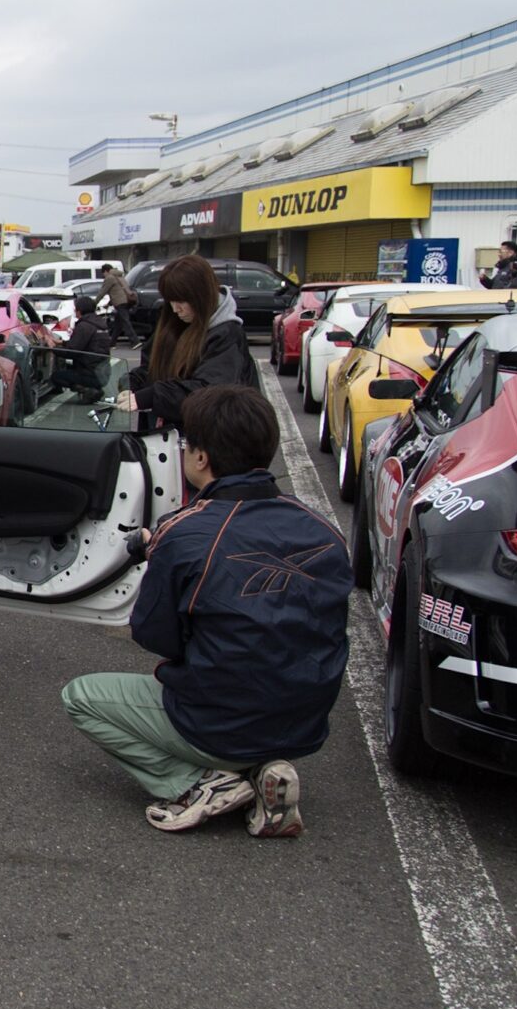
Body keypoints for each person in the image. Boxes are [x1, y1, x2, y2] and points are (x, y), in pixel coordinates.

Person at [61, 385, 352, 836]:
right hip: (304, 725)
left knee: (80, 697)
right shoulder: (325, 531)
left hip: (220, 723)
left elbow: (156, 636)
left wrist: (160, 559)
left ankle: (198, 783)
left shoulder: (184, 535)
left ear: (200, 458)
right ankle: (262, 772)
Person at [113, 255, 255, 427]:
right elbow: (151, 369)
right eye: (170, 300)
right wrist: (130, 383)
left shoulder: (227, 333)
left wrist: (151, 396)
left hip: (209, 433)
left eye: (181, 301)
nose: (175, 308)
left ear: (201, 296)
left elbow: (210, 391)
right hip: (166, 432)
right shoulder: (175, 321)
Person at [54, 295, 113, 401]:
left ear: (79, 310)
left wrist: (52, 348)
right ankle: (94, 388)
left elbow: (72, 352)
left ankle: (88, 389)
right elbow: (85, 344)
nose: (74, 311)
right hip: (102, 372)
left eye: (75, 309)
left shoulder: (84, 326)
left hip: (89, 373)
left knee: (56, 377)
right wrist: (62, 343)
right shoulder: (99, 323)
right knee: (69, 368)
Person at [97, 263, 139, 345]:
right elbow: (117, 293)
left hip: (120, 303)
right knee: (118, 324)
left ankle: (135, 341)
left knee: (125, 322)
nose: (103, 276)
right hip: (126, 301)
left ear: (106, 271)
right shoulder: (119, 276)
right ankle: (112, 343)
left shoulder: (109, 278)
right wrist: (109, 303)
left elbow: (102, 292)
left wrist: (94, 303)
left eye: (103, 274)